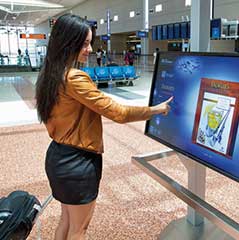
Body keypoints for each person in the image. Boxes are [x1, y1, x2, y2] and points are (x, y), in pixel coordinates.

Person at [35, 14, 173, 240]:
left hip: (58, 157)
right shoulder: (74, 78)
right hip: (78, 163)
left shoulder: (50, 74)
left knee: (66, 221)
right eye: (86, 43)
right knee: (79, 230)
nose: (90, 49)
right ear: (69, 42)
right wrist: (155, 110)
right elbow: (118, 113)